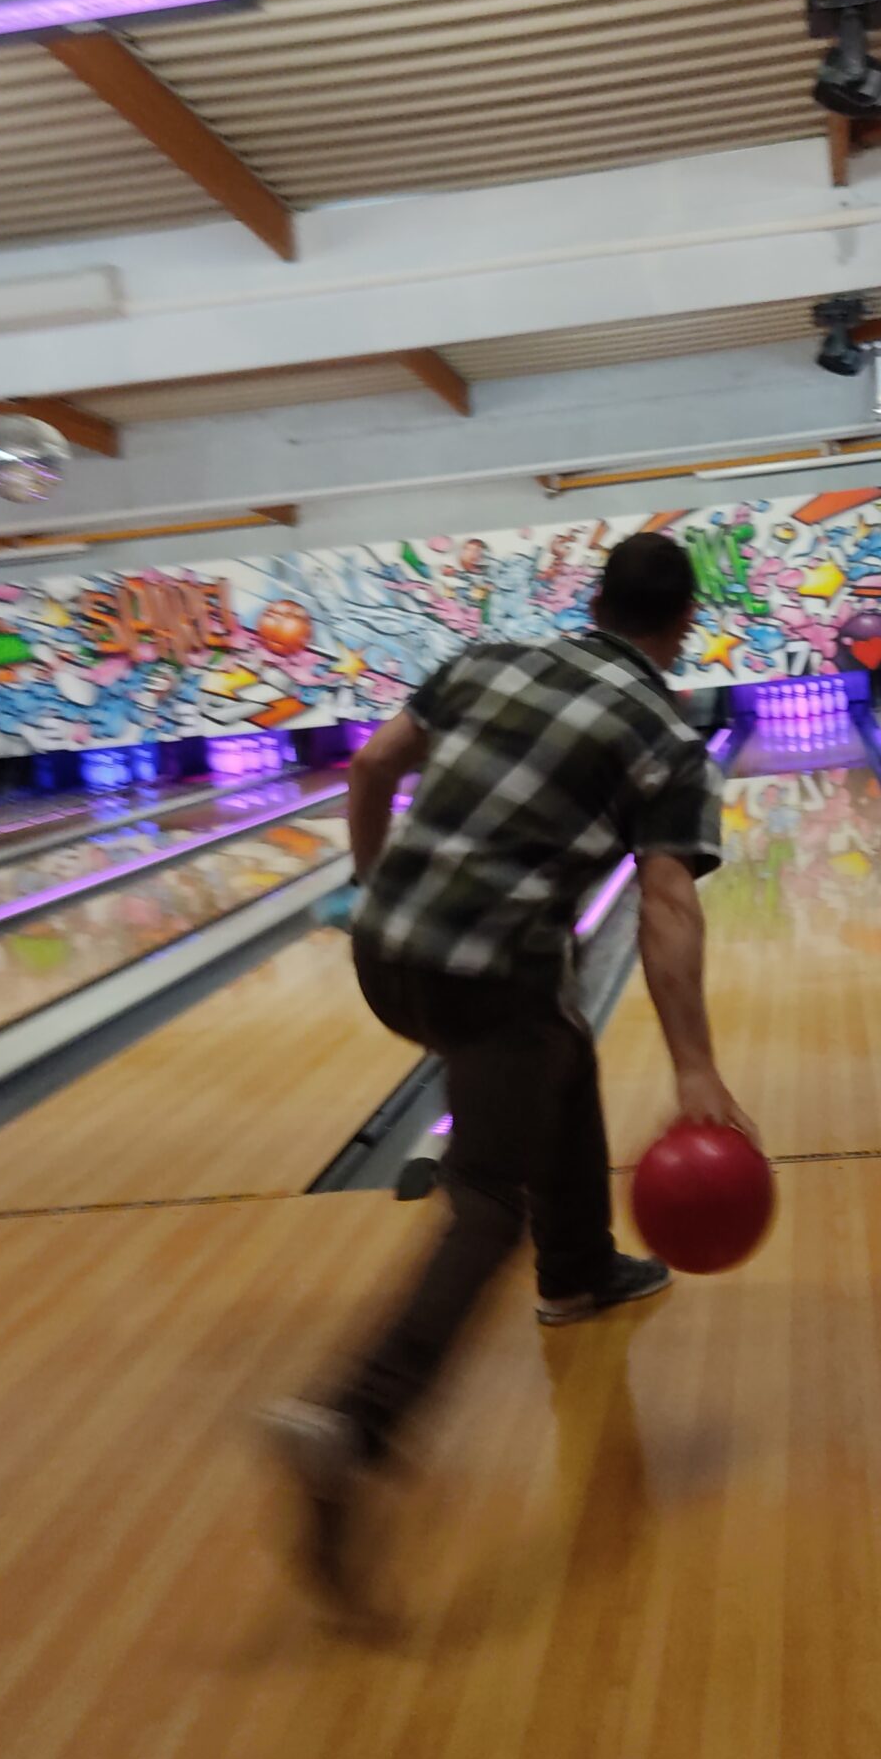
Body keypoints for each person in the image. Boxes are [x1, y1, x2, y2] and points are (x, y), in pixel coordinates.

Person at [265, 530, 753, 1609]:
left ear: (595, 603)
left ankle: (579, 1271)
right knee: (487, 1202)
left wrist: (373, 889)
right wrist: (695, 1071)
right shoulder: (668, 741)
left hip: (386, 955)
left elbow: (372, 764)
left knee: (554, 1044)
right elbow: (668, 905)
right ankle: (353, 1423)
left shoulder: (486, 659)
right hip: (486, 972)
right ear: (683, 625)